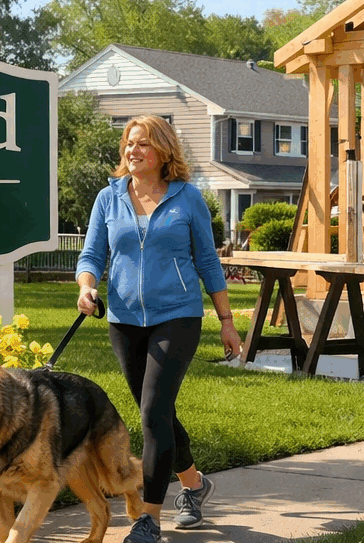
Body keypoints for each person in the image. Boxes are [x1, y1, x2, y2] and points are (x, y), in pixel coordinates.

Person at [75, 115, 243, 543]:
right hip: (124, 321)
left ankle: (149, 518)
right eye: (129, 143)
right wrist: (87, 286)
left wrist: (226, 321)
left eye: (143, 144)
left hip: (177, 316)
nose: (133, 151)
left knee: (152, 413)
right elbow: (92, 254)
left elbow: (208, 262)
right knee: (159, 413)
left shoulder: (188, 199)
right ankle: (193, 484)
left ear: (163, 151)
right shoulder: (109, 198)